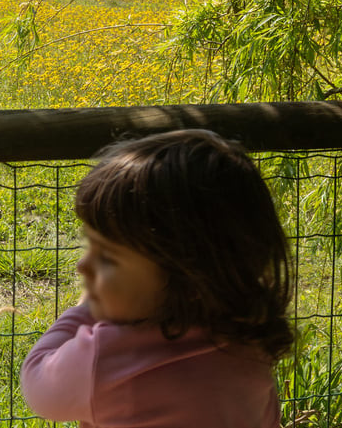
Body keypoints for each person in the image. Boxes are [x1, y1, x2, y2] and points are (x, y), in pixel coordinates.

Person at [19, 129, 293, 428]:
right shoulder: (248, 343)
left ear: (189, 277)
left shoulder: (105, 357)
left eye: (107, 257)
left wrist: (83, 309)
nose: (83, 266)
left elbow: (38, 384)